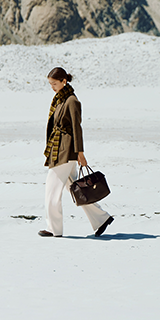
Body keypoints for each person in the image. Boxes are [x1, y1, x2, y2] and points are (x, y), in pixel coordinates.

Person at [38, 67, 114, 238]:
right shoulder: (60, 99)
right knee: (76, 189)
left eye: (54, 84)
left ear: (64, 81)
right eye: (50, 84)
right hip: (59, 148)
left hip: (65, 150)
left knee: (52, 190)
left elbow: (76, 128)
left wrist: (80, 152)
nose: (52, 87)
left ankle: (54, 229)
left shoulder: (72, 101)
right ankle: (101, 219)